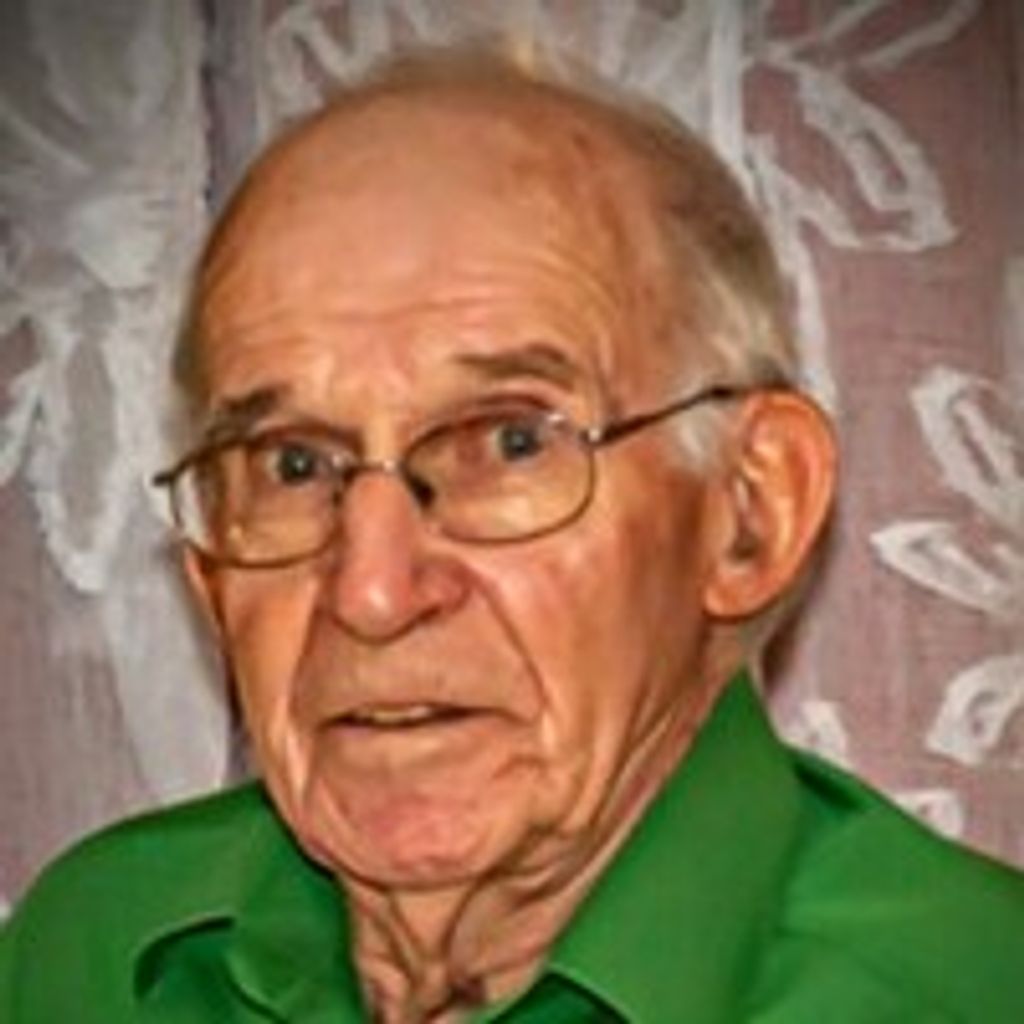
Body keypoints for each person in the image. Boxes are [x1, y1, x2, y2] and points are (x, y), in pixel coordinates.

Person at [2, 48, 1022, 1024]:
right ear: (207, 575)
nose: (371, 591)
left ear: (751, 512)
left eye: (509, 441)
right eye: (293, 465)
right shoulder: (99, 953)